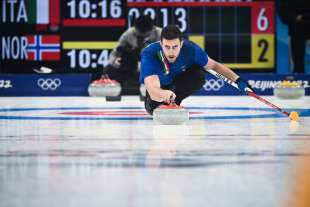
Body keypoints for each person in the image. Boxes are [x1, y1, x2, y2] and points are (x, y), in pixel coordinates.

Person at [139, 25, 253, 115]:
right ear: (161, 44)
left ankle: (175, 102)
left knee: (198, 75)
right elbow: (153, 90)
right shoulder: (149, 54)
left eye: (175, 47)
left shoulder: (191, 50)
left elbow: (213, 66)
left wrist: (238, 80)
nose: (171, 52)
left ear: (181, 44)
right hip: (158, 94)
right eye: (167, 47)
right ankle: (166, 103)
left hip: (177, 84)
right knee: (153, 106)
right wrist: (165, 94)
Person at [95, 15, 162, 94]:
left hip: (154, 67)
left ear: (153, 28)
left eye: (145, 34)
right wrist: (114, 61)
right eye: (140, 33)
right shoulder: (128, 34)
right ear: (135, 28)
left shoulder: (161, 34)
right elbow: (114, 53)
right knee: (108, 69)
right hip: (132, 66)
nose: (143, 36)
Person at [277, 0, 310, 73]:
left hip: (301, 24)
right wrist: (294, 18)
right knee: (297, 64)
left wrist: (303, 17)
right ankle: (299, 77)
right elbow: (283, 11)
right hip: (296, 30)